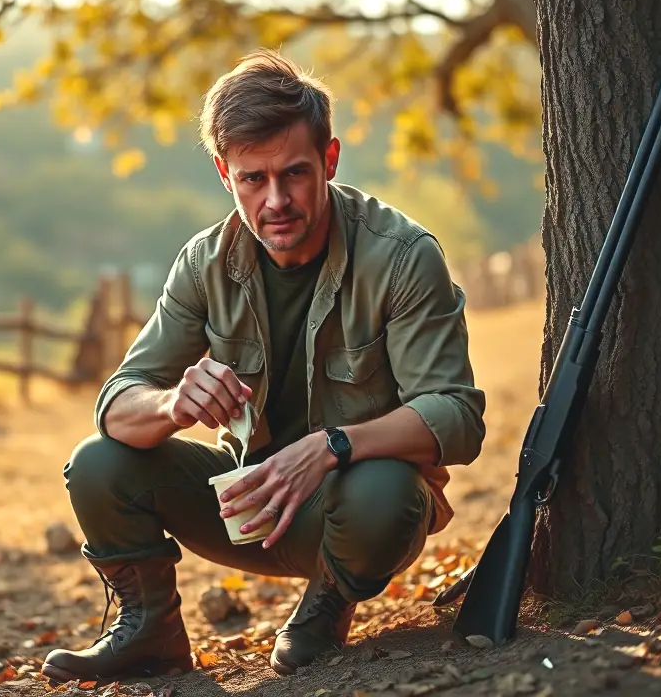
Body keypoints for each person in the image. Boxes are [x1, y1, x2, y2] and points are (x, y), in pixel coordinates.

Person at [40, 48, 486, 684]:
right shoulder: (203, 262)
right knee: (97, 462)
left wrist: (332, 447)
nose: (276, 200)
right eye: (253, 178)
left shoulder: (402, 255)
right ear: (225, 174)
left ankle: (328, 605)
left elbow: (457, 415)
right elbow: (117, 402)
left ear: (329, 160)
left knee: (383, 489)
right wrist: (173, 404)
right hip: (248, 503)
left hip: (357, 508)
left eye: (295, 174)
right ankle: (151, 631)